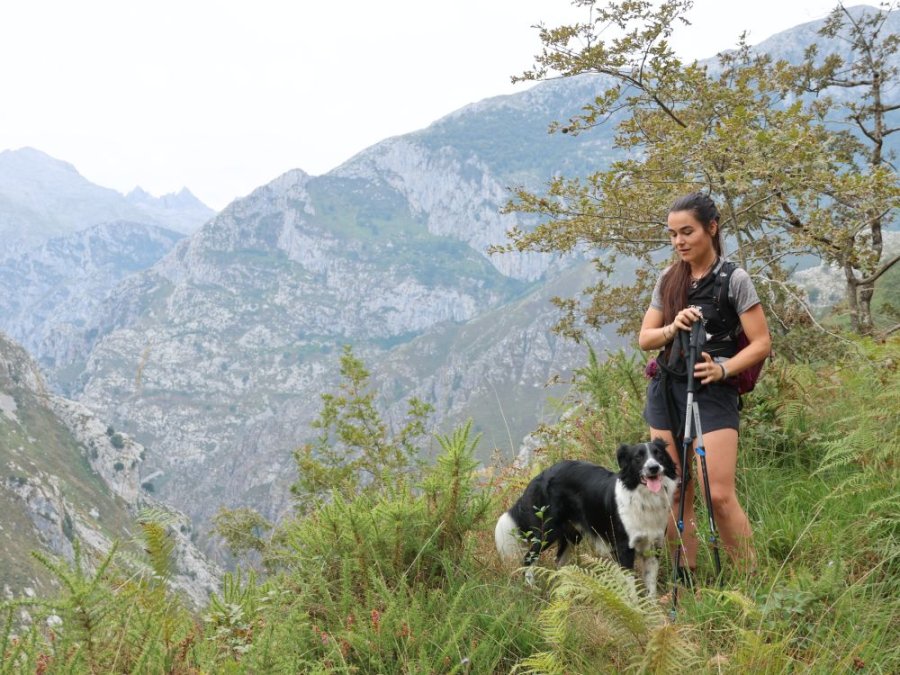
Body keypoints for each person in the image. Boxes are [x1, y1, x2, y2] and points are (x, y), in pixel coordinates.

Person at [638, 192, 771, 574]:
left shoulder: (734, 279)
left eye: (687, 232)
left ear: (711, 228)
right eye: (672, 234)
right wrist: (671, 326)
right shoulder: (668, 279)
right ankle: (686, 583)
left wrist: (723, 370)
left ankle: (751, 580)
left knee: (719, 494)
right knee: (674, 492)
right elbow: (645, 338)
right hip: (666, 390)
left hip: (713, 391)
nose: (679, 241)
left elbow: (762, 343)